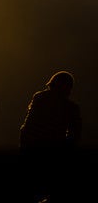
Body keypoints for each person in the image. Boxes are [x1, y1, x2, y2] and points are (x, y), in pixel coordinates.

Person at [19, 71, 82, 202]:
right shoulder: (71, 108)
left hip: (34, 151)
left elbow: (26, 128)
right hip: (54, 154)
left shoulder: (39, 99)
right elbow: (75, 134)